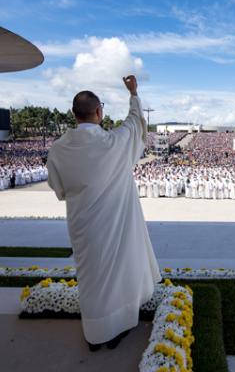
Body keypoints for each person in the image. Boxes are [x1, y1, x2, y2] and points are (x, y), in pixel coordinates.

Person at [46, 76, 161, 351]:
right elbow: (134, 124)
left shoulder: (59, 149)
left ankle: (95, 333)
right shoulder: (113, 143)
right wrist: (133, 93)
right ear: (99, 112)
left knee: (91, 278)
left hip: (83, 224)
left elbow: (58, 189)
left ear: (74, 114)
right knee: (119, 274)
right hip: (114, 223)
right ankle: (116, 328)